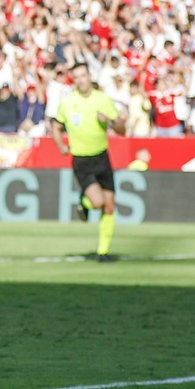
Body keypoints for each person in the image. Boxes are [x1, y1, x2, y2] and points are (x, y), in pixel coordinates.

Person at [51, 61, 126, 261]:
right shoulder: (67, 103)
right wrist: (60, 146)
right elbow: (56, 126)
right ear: (73, 80)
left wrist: (108, 121)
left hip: (102, 157)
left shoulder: (102, 100)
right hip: (82, 160)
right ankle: (83, 202)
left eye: (83, 76)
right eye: (76, 77)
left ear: (89, 77)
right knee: (98, 202)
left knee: (109, 206)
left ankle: (103, 252)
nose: (81, 80)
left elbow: (121, 129)